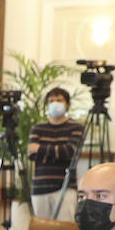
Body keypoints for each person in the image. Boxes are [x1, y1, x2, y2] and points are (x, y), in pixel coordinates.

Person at [26, 86, 84, 219]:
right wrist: (57, 151)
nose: (55, 103)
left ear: (67, 104)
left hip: (65, 187)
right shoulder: (37, 128)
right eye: (51, 101)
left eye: (59, 100)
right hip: (40, 187)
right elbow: (31, 154)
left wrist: (41, 149)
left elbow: (69, 152)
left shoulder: (76, 127)